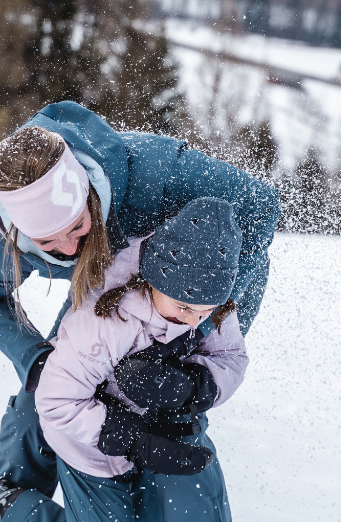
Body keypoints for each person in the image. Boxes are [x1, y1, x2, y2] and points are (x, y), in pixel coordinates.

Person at [0, 101, 279, 522]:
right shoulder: (6, 236)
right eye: (49, 244)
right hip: (102, 300)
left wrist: (193, 344)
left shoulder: (158, 174)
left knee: (167, 414)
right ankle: (2, 503)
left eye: (77, 226)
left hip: (184, 294)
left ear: (90, 193)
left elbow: (263, 210)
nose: (70, 248)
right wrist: (34, 358)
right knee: (52, 389)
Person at [35, 197, 248, 522]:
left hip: (161, 428)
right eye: (185, 309)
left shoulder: (207, 299)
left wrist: (192, 386)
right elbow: (55, 401)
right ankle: (14, 509)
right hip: (87, 449)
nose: (195, 322)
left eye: (207, 311)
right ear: (152, 280)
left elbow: (231, 357)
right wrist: (134, 441)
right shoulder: (106, 320)